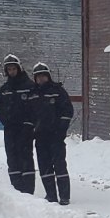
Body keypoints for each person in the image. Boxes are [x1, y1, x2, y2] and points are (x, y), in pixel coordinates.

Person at [29, 62, 74, 204]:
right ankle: (51, 195)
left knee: (60, 166)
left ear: (48, 76)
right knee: (45, 167)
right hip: (40, 137)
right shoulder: (32, 94)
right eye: (38, 77)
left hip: (56, 137)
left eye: (43, 76)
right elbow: (29, 115)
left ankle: (65, 196)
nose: (41, 79)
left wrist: (61, 129)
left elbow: (67, 111)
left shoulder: (58, 91)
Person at [0, 54, 37, 194]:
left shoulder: (30, 86)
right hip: (10, 130)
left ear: (19, 68)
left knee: (25, 158)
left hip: (25, 129)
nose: (12, 71)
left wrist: (29, 123)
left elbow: (36, 106)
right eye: (9, 69)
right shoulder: (5, 89)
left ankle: (28, 191)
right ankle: (16, 190)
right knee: (12, 159)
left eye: (14, 68)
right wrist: (5, 120)